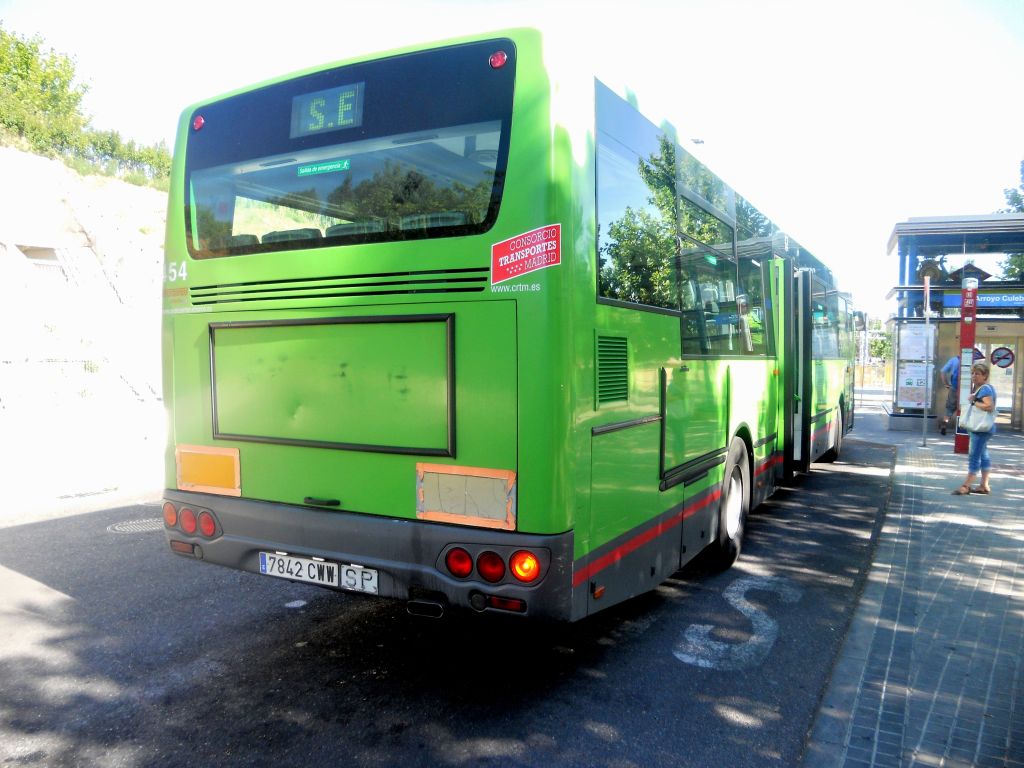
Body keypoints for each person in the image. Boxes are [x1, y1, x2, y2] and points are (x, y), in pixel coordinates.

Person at [951, 361, 996, 495]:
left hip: (980, 429)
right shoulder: (984, 388)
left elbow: (989, 407)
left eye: (977, 374)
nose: (974, 376)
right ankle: (984, 485)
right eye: (973, 373)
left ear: (985, 376)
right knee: (984, 455)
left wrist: (974, 401)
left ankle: (966, 486)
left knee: (974, 456)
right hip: (982, 428)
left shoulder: (985, 389)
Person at [939, 354, 959, 435]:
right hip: (966, 389)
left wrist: (946, 384)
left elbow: (943, 372)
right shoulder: (973, 360)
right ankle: (963, 429)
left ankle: (944, 424)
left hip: (954, 388)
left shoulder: (954, 360)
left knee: (949, 410)